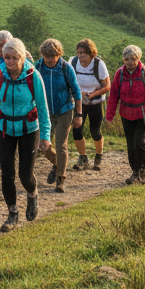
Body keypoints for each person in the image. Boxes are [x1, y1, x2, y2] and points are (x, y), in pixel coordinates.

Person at [0, 37, 51, 231]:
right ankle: (12, 213)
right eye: (6, 57)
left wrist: (45, 136)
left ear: (22, 57)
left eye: (14, 58)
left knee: (25, 174)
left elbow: (43, 108)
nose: (10, 62)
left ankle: (32, 193)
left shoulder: (33, 76)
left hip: (29, 129)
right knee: (7, 174)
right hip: (4, 128)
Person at [107, 45, 145, 185]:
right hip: (126, 114)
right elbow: (114, 95)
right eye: (127, 59)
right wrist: (109, 115)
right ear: (123, 59)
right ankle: (135, 172)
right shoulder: (120, 73)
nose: (130, 62)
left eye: (133, 59)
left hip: (143, 114)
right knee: (130, 145)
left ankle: (142, 168)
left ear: (138, 59)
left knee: (138, 143)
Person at [35, 39, 80, 193]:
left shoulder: (65, 67)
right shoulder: (38, 67)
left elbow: (76, 90)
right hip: (44, 112)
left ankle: (61, 178)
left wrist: (78, 115)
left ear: (59, 54)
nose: (50, 59)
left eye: (53, 56)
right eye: (47, 56)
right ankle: (56, 163)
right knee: (42, 145)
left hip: (64, 110)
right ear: (42, 55)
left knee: (61, 145)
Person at [70, 39, 111, 172]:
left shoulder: (98, 64)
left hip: (96, 102)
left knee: (95, 131)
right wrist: (77, 93)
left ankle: (99, 155)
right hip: (79, 101)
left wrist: (93, 94)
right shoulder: (73, 62)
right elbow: (68, 81)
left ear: (91, 53)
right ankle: (83, 158)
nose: (81, 55)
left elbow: (107, 86)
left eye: (85, 53)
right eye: (79, 52)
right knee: (77, 130)